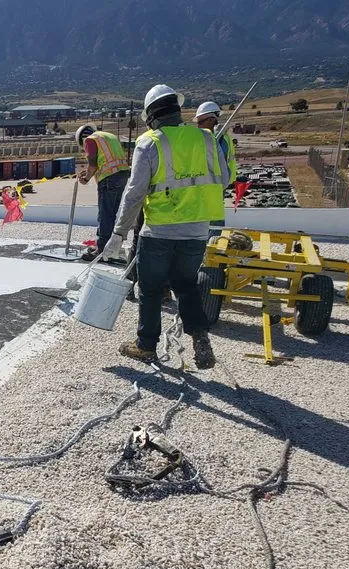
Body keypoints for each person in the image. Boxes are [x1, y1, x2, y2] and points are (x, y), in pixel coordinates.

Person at [104, 85, 229, 370]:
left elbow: (134, 194)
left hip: (159, 230)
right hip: (197, 230)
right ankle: (200, 338)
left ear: (151, 117)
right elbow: (223, 179)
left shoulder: (149, 143)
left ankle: (146, 345)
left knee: (149, 288)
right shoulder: (205, 138)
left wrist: (118, 233)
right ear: (177, 110)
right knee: (186, 285)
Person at [75, 124, 130, 262]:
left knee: (105, 214)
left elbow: (93, 165)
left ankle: (101, 250)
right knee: (111, 213)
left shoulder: (90, 140)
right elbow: (106, 160)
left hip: (109, 178)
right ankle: (107, 246)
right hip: (122, 175)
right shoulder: (109, 136)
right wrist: (90, 172)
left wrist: (86, 179)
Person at [195, 101, 238, 237]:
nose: (198, 126)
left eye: (201, 122)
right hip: (208, 184)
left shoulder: (220, 139)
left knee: (213, 219)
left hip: (215, 184)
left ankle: (213, 243)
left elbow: (218, 164)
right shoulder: (212, 138)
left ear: (212, 119)